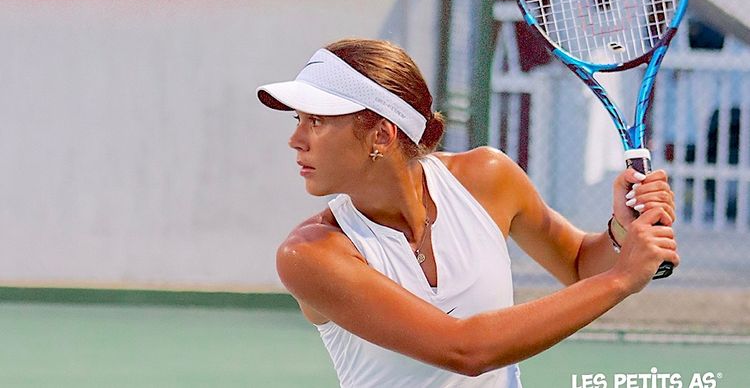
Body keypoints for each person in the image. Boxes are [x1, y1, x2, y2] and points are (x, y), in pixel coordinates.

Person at [256, 38, 678, 388]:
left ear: (380, 134)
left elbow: (580, 264)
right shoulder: (310, 255)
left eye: (316, 121)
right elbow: (465, 350)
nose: (295, 139)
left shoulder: (488, 177)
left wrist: (622, 231)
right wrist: (622, 278)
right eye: (299, 119)